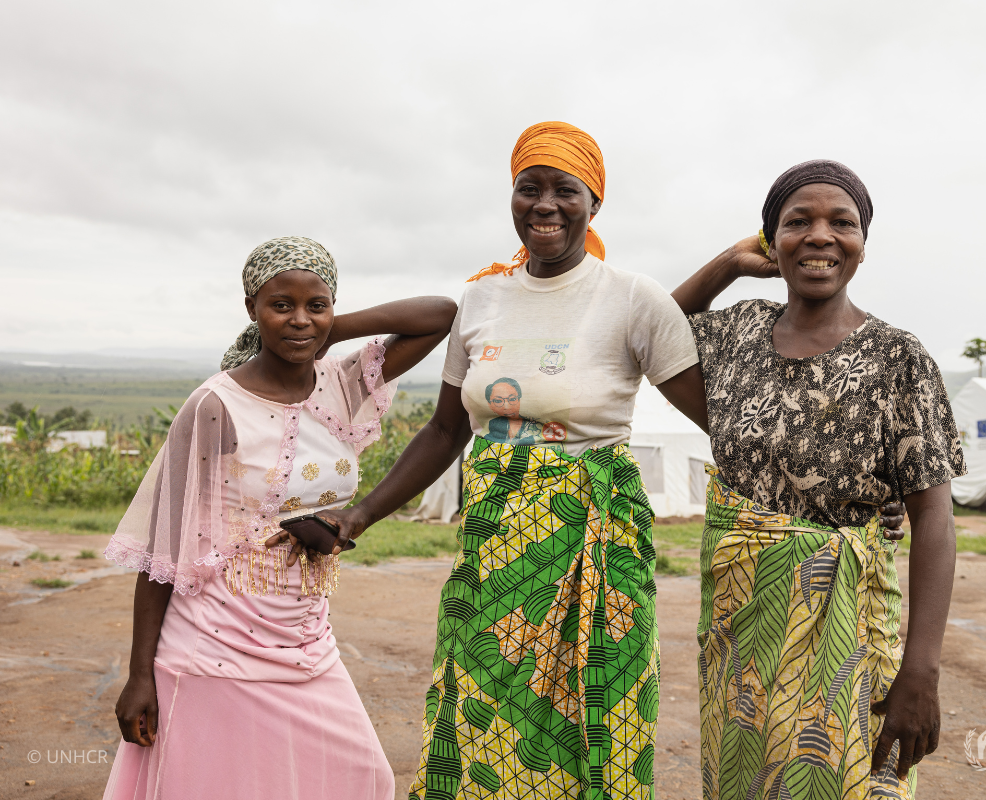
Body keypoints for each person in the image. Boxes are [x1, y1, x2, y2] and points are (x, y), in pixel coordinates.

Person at [320, 121, 712, 800]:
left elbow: (721, 421)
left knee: (599, 712)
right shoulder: (481, 298)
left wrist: (847, 489)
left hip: (596, 540)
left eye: (566, 190)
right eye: (529, 188)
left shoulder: (631, 297)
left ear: (594, 205)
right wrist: (358, 516)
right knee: (479, 710)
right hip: (493, 548)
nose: (545, 204)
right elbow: (446, 432)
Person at [101, 236, 457, 800]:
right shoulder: (215, 404)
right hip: (213, 646)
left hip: (306, 640)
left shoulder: (344, 385)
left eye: (315, 304)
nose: (298, 319)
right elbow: (162, 548)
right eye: (280, 305)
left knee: (363, 778)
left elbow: (440, 315)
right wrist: (140, 674)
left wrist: (327, 329)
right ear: (251, 310)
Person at [673, 161, 962, 799]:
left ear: (863, 243)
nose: (820, 236)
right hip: (742, 627)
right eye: (797, 222)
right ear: (771, 240)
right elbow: (651, 334)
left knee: (852, 782)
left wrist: (922, 672)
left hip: (852, 629)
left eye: (843, 223)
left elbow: (935, 519)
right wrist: (727, 263)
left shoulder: (898, 358)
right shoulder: (737, 333)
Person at [483, 377, 543, 444]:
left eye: (512, 399)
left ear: (519, 400)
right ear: (489, 404)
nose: (507, 407)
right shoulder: (492, 424)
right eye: (498, 401)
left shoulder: (534, 425)